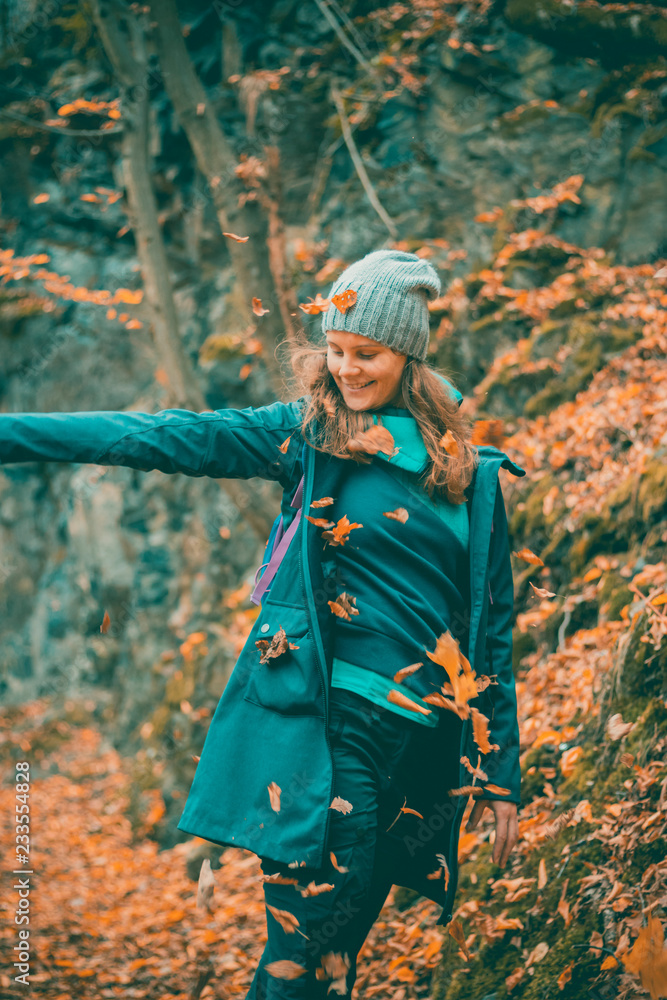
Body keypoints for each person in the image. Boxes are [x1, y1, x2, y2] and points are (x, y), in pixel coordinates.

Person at [0, 249, 525, 998]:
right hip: (324, 732)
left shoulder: (471, 477)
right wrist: (12, 434)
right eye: (335, 351)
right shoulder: (306, 437)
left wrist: (496, 768)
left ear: (408, 355)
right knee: (302, 960)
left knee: (333, 961)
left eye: (365, 354)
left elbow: (492, 635)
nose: (346, 369)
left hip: (416, 751)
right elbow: (160, 436)